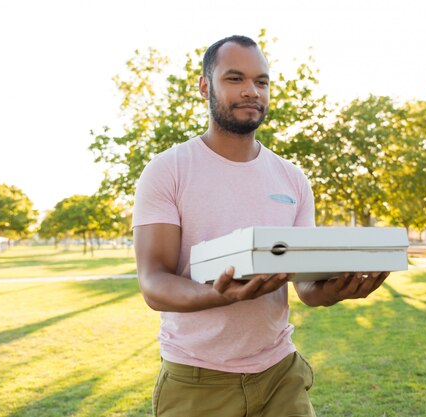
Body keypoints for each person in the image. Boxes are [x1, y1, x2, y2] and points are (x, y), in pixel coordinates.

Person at [132, 35, 390, 417]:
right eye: (234, 79)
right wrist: (225, 295)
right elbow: (154, 283)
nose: (251, 91)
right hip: (197, 381)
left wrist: (335, 289)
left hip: (280, 376)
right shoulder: (167, 170)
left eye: (262, 81)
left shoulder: (292, 179)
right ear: (205, 86)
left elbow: (304, 285)